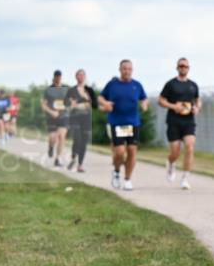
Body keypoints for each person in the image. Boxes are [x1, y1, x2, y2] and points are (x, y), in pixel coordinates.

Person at [99, 59, 148, 191]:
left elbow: (143, 97)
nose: (127, 71)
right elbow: (100, 97)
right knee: (120, 153)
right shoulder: (112, 85)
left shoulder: (137, 85)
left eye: (129, 69)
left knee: (132, 151)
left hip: (133, 123)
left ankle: (127, 179)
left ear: (132, 70)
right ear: (120, 70)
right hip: (117, 123)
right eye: (124, 68)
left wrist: (144, 104)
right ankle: (116, 172)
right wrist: (106, 104)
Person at [158, 57, 201, 190]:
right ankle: (171, 163)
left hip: (188, 121)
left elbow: (198, 100)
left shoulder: (193, 85)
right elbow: (160, 100)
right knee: (175, 151)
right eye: (181, 66)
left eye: (185, 66)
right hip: (174, 120)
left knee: (189, 147)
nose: (183, 68)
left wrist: (197, 107)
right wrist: (173, 106)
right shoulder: (170, 84)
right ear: (177, 68)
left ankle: (185, 178)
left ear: (188, 68)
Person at [65, 69, 97, 172]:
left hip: (86, 119)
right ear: (76, 77)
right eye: (79, 75)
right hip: (74, 118)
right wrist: (71, 104)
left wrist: (88, 99)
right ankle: (73, 158)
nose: (81, 77)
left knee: (84, 142)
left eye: (82, 75)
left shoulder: (89, 90)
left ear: (85, 77)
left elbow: (95, 105)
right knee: (77, 139)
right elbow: (65, 103)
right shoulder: (71, 90)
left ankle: (80, 164)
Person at [41, 70, 69, 166]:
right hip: (52, 117)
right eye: (56, 77)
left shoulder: (66, 88)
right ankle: (51, 146)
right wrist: (51, 112)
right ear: (54, 77)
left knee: (61, 137)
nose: (58, 78)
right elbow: (43, 105)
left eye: (59, 77)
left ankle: (58, 159)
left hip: (64, 116)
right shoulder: (48, 90)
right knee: (53, 137)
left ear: (61, 77)